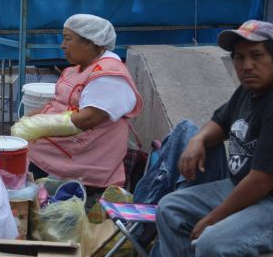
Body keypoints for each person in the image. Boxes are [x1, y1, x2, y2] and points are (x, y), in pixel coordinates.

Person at [152, 20, 273, 257]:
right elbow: (219, 122)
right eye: (239, 58)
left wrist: (212, 219)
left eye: (256, 55)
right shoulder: (247, 92)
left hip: (267, 200)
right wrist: (197, 140)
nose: (247, 66)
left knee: (212, 243)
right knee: (169, 208)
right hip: (239, 186)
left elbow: (262, 181)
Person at [27, 14, 143, 190]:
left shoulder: (108, 75)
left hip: (86, 159)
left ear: (89, 42)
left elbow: (88, 119)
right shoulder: (77, 69)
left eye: (68, 39)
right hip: (61, 148)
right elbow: (62, 103)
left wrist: (37, 125)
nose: (62, 45)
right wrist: (34, 116)